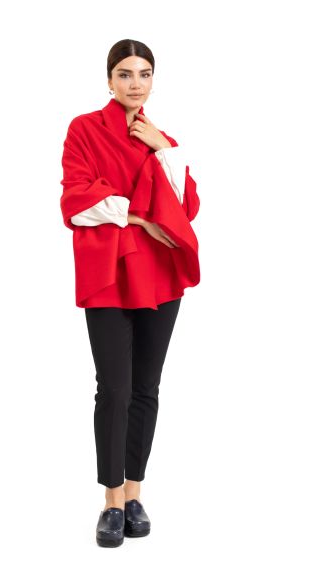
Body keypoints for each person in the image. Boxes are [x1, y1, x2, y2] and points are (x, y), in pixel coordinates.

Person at [59, 38, 201, 547]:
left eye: (143, 74)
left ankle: (136, 494)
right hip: (108, 274)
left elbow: (185, 208)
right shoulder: (84, 129)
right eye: (124, 74)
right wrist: (140, 216)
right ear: (109, 80)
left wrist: (165, 149)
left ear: (153, 80)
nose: (134, 83)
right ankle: (112, 500)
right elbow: (77, 202)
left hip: (160, 273)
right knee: (113, 388)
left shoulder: (162, 138)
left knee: (146, 387)